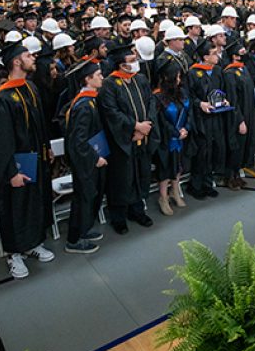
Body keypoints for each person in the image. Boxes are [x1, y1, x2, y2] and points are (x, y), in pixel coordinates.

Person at [0, 41, 55, 279]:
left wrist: (47, 148)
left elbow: (40, 125)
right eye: (27, 55)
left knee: (34, 202)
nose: (33, 57)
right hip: (16, 165)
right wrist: (11, 172)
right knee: (15, 208)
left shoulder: (30, 88)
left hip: (36, 159)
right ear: (16, 62)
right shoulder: (3, 99)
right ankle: (14, 254)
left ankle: (33, 243)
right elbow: (1, 143)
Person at [98, 43, 156, 234]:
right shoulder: (109, 84)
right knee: (122, 179)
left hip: (143, 137)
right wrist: (135, 126)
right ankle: (119, 217)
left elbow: (151, 101)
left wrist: (146, 125)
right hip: (122, 141)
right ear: (121, 65)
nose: (136, 63)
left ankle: (137, 211)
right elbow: (111, 113)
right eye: (131, 61)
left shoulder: (140, 79)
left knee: (140, 174)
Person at [62, 59, 107, 253]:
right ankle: (74, 239)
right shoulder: (83, 105)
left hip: (88, 159)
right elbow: (78, 140)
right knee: (83, 199)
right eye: (98, 75)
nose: (102, 78)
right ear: (87, 79)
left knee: (89, 197)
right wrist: (94, 158)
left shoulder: (90, 100)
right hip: (85, 162)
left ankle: (84, 230)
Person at [185, 39, 225, 200]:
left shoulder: (216, 71)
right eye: (214, 53)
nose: (217, 56)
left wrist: (224, 100)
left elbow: (220, 90)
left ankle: (207, 183)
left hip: (215, 116)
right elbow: (188, 96)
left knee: (212, 150)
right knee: (201, 152)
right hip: (200, 118)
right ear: (205, 57)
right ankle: (195, 186)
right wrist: (199, 103)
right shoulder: (193, 73)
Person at [151, 60, 192, 215]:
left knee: (178, 165)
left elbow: (190, 113)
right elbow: (160, 122)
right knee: (165, 167)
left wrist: (186, 128)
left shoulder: (181, 93)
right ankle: (163, 196)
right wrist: (176, 133)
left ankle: (175, 191)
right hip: (165, 139)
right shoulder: (157, 97)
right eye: (177, 77)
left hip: (181, 137)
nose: (180, 80)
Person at [220, 37, 255, 190]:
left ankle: (238, 173)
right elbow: (233, 100)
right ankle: (230, 176)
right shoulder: (229, 74)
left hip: (249, 112)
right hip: (237, 115)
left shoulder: (244, 69)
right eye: (242, 52)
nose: (245, 54)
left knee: (243, 145)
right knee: (235, 146)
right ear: (234, 56)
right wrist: (239, 120)